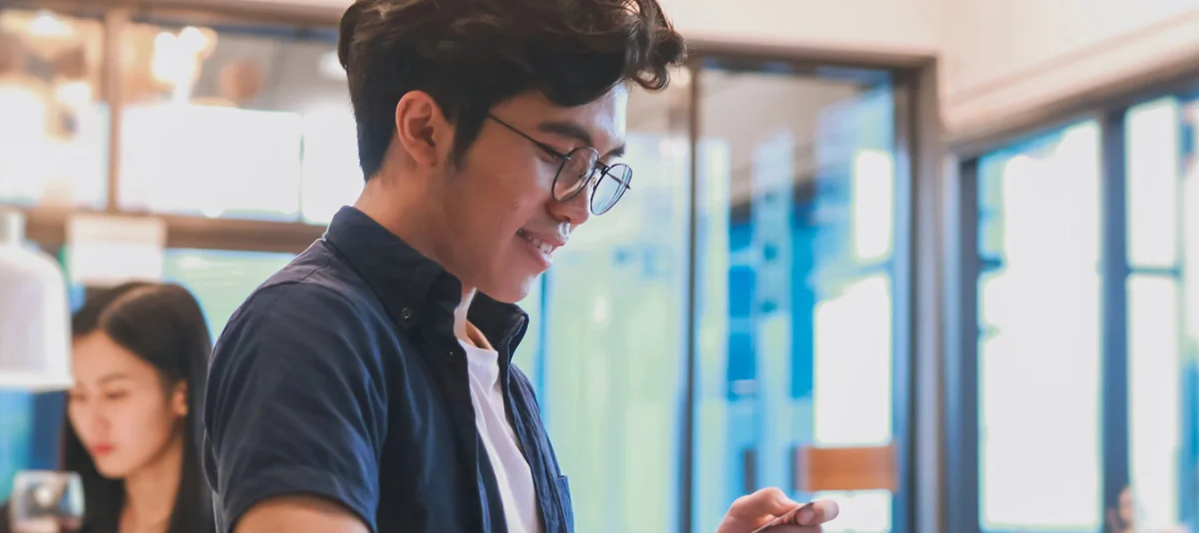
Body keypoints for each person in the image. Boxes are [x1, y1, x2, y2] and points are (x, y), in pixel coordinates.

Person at [200, 0, 841, 532]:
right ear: (424, 130)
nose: (578, 208)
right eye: (561, 155)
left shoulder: (486, 356)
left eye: (597, 171)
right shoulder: (310, 331)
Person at [0, 282, 214, 533]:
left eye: (115, 394)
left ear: (182, 395)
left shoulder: (236, 523)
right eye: (78, 395)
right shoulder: (56, 519)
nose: (91, 422)